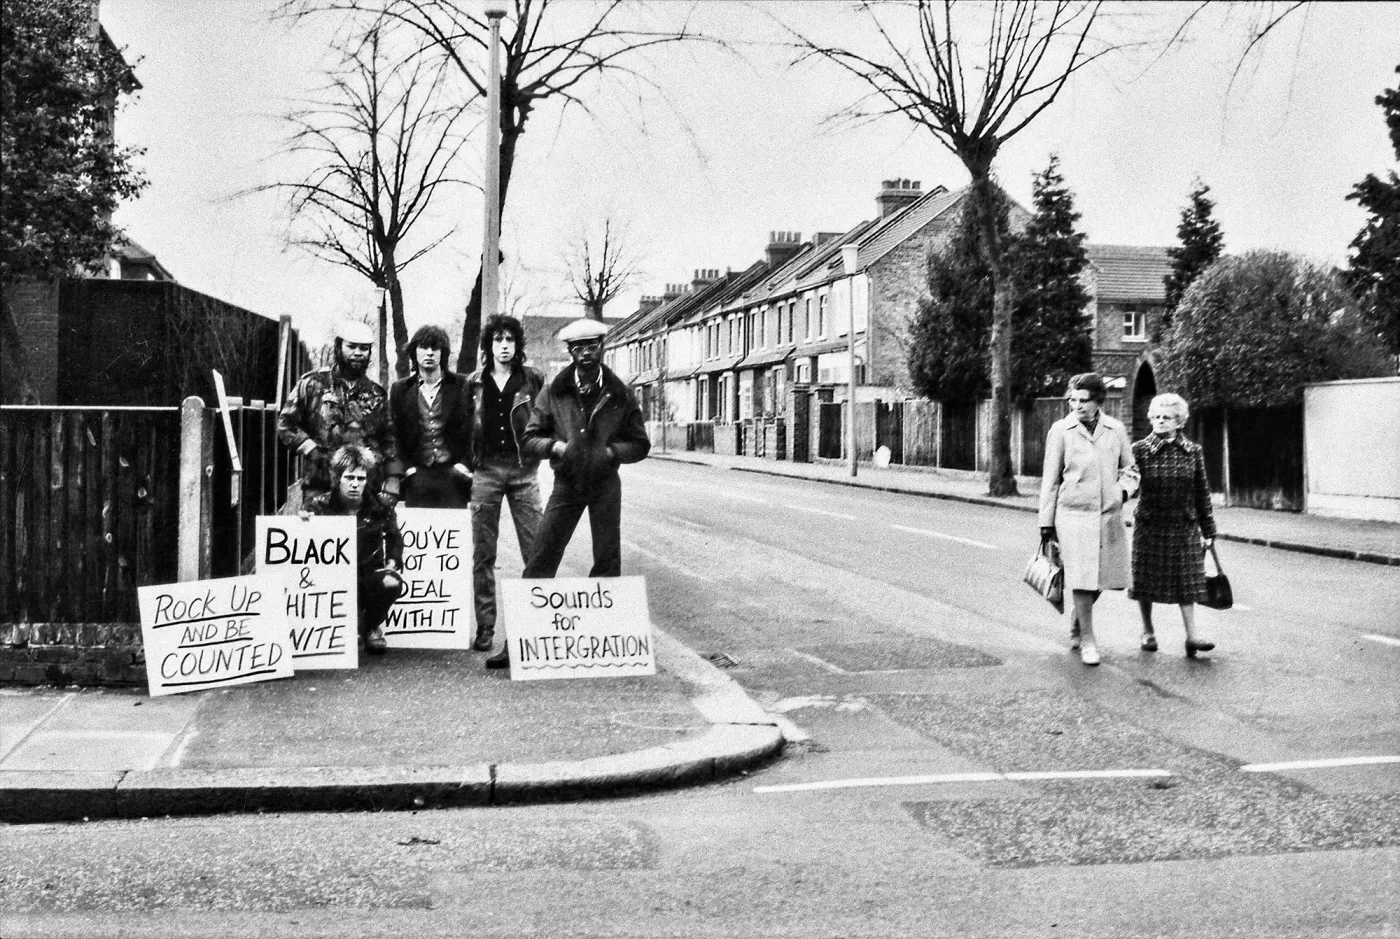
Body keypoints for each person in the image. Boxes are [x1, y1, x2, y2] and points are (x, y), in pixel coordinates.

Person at [485, 318, 650, 669]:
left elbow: (640, 443)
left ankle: (608, 644)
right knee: (541, 558)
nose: (586, 354)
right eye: (578, 348)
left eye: (592, 346)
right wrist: (556, 448)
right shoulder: (554, 391)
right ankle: (518, 643)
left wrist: (612, 453)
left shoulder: (620, 393)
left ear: (602, 347)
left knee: (607, 561)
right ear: (570, 351)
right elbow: (529, 437)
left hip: (605, 484)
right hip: (567, 484)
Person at [1039, 373, 1140, 666]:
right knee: (1082, 578)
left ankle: (1077, 619)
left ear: (1098, 402)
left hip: (1108, 514)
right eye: (1073, 400)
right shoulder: (1061, 430)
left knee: (1102, 579)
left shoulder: (1115, 429)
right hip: (1072, 514)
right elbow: (1051, 478)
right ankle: (1088, 640)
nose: (1078, 406)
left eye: (1084, 401)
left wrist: (1122, 492)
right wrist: (1046, 522)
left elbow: (1131, 470)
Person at [464, 314, 546, 658]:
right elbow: (463, 425)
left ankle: (536, 627)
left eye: (510, 340)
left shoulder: (533, 380)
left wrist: (541, 452)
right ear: (489, 346)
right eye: (498, 340)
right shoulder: (474, 383)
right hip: (485, 473)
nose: (504, 346)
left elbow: (548, 419)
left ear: (518, 345)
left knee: (537, 550)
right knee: (484, 554)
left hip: (523, 472)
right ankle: (486, 627)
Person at [1129, 393, 1218, 658]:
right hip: (1150, 524)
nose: (1160, 421)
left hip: (1184, 525)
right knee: (1145, 580)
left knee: (1188, 581)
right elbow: (1129, 484)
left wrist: (1209, 530)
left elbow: (1202, 492)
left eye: (1166, 417)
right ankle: (1148, 631)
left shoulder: (1193, 452)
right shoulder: (1139, 450)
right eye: (1156, 416)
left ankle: (1192, 637)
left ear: (1179, 422)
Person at [278, 319, 399, 504]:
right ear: (338, 347)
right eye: (351, 347)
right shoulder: (312, 383)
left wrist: (392, 479)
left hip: (364, 488)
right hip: (321, 484)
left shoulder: (377, 394)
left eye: (364, 349)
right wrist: (311, 449)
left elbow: (389, 439)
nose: (358, 353)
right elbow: (285, 424)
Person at [302, 444, 404, 655]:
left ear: (367, 480)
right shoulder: (318, 506)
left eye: (360, 478)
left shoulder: (381, 506)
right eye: (349, 478)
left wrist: (392, 565)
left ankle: (372, 626)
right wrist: (303, 522)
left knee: (391, 583)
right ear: (338, 478)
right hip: (332, 579)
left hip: (368, 575)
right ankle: (348, 626)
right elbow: (301, 544)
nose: (355, 484)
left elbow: (394, 538)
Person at [389, 325, 472, 508]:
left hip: (453, 474)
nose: (429, 353)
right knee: (419, 531)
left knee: (454, 532)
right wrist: (407, 469)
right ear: (414, 352)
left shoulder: (461, 385)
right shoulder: (400, 389)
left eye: (435, 348)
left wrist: (464, 466)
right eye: (423, 347)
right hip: (417, 474)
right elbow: (394, 434)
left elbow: (473, 429)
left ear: (443, 354)